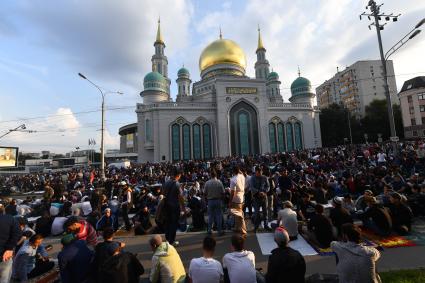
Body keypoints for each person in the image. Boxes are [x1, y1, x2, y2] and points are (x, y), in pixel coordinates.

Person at [162, 168, 185, 246]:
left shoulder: (166, 182)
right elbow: (181, 197)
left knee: (167, 223)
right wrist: (183, 208)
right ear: (178, 175)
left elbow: (163, 194)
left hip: (166, 206)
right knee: (173, 223)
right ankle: (171, 241)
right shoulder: (177, 184)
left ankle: (167, 239)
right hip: (174, 206)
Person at [0, 204, 21, 283]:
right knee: (4, 278)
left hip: (4, 255)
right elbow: (17, 233)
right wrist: (9, 248)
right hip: (5, 255)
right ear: (3, 210)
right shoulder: (10, 219)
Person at [204, 170, 225, 235]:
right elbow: (223, 193)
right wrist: (222, 200)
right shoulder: (219, 182)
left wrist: (206, 200)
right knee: (219, 216)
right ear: (216, 175)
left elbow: (204, 193)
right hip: (218, 200)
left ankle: (209, 230)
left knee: (210, 216)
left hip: (210, 201)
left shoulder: (207, 183)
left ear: (211, 175)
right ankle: (219, 231)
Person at [250, 167, 271, 232]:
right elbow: (252, 187)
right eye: (258, 173)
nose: (260, 174)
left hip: (264, 197)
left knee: (265, 212)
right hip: (256, 197)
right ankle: (256, 226)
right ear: (255, 172)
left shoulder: (264, 177)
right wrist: (258, 192)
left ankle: (266, 225)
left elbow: (268, 186)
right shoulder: (252, 178)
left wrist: (264, 192)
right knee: (256, 213)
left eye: (261, 172)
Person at [229, 166, 247, 235]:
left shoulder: (233, 179)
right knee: (237, 214)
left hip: (236, 198)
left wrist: (230, 201)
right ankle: (237, 228)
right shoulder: (242, 176)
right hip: (242, 197)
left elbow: (232, 192)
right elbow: (241, 173)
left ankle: (243, 230)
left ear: (233, 171)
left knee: (239, 215)